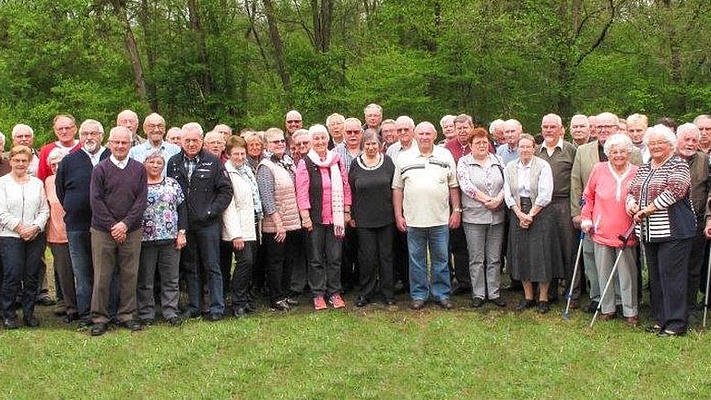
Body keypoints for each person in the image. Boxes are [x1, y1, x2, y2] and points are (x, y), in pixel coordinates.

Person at [627, 124, 695, 336]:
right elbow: (632, 190)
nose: (655, 147)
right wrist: (631, 204)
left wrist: (647, 209)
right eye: (652, 143)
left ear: (670, 145)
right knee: (655, 277)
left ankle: (676, 323)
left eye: (660, 143)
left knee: (672, 277)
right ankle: (661, 319)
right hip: (649, 232)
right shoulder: (646, 166)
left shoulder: (678, 165)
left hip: (674, 231)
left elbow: (675, 191)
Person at [570, 112, 642, 312]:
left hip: (623, 221)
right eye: (599, 127)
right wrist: (579, 213)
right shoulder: (584, 152)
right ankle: (599, 298)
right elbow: (578, 184)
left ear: (616, 128)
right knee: (594, 261)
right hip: (594, 219)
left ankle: (623, 302)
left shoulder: (633, 154)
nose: (602, 130)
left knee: (625, 266)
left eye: (607, 126)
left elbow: (638, 186)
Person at [167, 122, 232, 321]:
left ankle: (217, 307)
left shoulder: (213, 162)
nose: (191, 144)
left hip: (208, 224)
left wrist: (211, 211)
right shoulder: (173, 162)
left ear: (202, 141)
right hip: (184, 225)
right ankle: (194, 306)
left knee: (212, 266)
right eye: (187, 140)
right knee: (190, 266)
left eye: (195, 140)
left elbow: (226, 191)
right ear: (181, 141)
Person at [393, 121, 461, 310]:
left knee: (441, 259)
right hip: (414, 220)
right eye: (421, 134)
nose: (424, 137)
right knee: (416, 259)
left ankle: (442, 294)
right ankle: (419, 294)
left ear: (434, 135)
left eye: (428, 134)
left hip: (440, 218)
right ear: (415, 135)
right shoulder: (404, 158)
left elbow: (453, 186)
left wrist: (456, 210)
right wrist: (399, 215)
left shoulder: (445, 154)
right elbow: (397, 189)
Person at [88, 126, 147, 336]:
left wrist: (125, 224)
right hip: (103, 231)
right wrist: (113, 225)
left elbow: (141, 200)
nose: (120, 146)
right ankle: (100, 317)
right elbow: (95, 200)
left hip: (131, 230)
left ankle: (128, 315)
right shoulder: (100, 169)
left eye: (125, 142)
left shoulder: (139, 169)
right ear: (109, 144)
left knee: (130, 274)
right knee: (102, 275)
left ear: (131, 144)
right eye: (117, 142)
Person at [55, 119, 111, 326]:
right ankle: (86, 314)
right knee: (82, 272)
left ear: (101, 136)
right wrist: (75, 206)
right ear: (80, 135)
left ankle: (107, 312)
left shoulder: (111, 156)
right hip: (77, 225)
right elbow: (61, 191)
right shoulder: (69, 161)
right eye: (85, 133)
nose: (89, 137)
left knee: (105, 272)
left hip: (106, 227)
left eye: (93, 133)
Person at [580, 134, 639, 326]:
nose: (619, 155)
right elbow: (588, 197)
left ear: (629, 152)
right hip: (601, 229)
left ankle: (630, 311)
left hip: (626, 231)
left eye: (622, 151)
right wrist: (586, 218)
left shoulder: (637, 172)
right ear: (608, 153)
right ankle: (608, 308)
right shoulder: (599, 169)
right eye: (614, 151)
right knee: (603, 271)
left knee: (627, 273)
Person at [504, 134, 563, 313]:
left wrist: (529, 215)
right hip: (517, 211)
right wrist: (519, 213)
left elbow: (546, 193)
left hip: (540, 212)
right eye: (521, 147)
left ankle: (543, 298)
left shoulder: (542, 165)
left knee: (541, 254)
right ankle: (528, 296)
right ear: (518, 149)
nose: (524, 150)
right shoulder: (510, 167)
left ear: (534, 148)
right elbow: (507, 192)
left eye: (528, 147)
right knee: (522, 253)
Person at [296, 124, 352, 310]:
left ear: (327, 139)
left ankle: (334, 292)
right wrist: (305, 216)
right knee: (316, 258)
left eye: (322, 138)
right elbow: (302, 192)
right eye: (316, 139)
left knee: (335, 257)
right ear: (311, 142)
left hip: (335, 219)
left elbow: (345, 186)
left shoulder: (336, 160)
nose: (320, 141)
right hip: (315, 219)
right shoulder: (306, 162)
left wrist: (346, 210)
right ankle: (318, 294)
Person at [0, 145, 49, 329]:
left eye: (24, 161)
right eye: (17, 160)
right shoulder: (2, 183)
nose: (20, 164)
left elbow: (45, 209)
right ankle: (8, 314)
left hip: (35, 236)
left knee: (31, 276)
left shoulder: (37, 184)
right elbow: (1, 211)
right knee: (12, 275)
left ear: (29, 163)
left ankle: (29, 313)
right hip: (10, 236)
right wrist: (20, 228)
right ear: (10, 161)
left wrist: (35, 227)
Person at [457, 127, 506, 308]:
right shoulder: (464, 162)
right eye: (477, 142)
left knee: (494, 257)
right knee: (476, 258)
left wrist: (498, 200)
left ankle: (494, 293)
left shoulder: (498, 161)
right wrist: (487, 200)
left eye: (485, 142)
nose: (482, 145)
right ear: (470, 145)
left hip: (496, 217)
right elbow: (466, 185)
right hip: (474, 217)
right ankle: (478, 293)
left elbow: (506, 184)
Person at [137, 151, 187, 326]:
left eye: (159, 162)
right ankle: (146, 313)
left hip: (170, 238)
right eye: (151, 162)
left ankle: (170, 311)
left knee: (171, 278)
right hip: (145, 239)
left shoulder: (172, 184)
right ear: (144, 164)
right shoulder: (139, 185)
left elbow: (182, 208)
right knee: (145, 279)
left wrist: (182, 232)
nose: (155, 165)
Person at [348, 130, 396, 306]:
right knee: (367, 258)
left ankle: (388, 293)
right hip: (364, 219)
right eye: (367, 144)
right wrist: (351, 213)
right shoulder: (355, 164)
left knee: (386, 256)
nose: (371, 147)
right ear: (363, 145)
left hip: (386, 218)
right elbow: (351, 190)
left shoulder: (388, 162)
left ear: (380, 145)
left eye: (374, 143)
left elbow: (395, 188)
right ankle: (366, 292)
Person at [256, 127, 301, 311]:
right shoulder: (266, 167)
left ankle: (285, 293)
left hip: (291, 222)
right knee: (276, 261)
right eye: (275, 142)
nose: (280, 144)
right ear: (267, 145)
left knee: (288, 260)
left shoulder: (287, 162)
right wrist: (278, 224)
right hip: (275, 225)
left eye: (282, 141)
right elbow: (266, 197)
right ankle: (276, 297)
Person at [536, 113, 577, 303]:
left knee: (568, 249)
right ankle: (549, 292)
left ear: (561, 130)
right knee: (546, 249)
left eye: (553, 127)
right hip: (542, 206)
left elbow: (577, 181)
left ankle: (572, 293)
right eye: (545, 127)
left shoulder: (571, 150)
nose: (549, 130)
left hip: (564, 203)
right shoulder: (536, 151)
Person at [222, 136, 262, 317]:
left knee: (251, 263)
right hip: (238, 228)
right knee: (244, 262)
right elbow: (228, 207)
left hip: (252, 223)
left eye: (242, 153)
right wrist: (235, 234)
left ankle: (245, 299)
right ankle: (237, 302)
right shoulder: (227, 173)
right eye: (236, 154)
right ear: (228, 154)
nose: (239, 157)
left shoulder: (247, 170)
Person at [674, 123, 710, 320]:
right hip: (671, 222)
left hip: (696, 221)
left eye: (694, 140)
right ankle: (669, 306)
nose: (690, 143)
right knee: (672, 267)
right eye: (686, 139)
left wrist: (709, 218)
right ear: (677, 139)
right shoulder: (667, 157)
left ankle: (689, 308)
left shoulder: (705, 160)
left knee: (693, 267)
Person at [45, 148, 78, 321]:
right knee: (64, 273)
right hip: (57, 233)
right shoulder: (48, 182)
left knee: (82, 271)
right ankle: (70, 307)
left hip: (78, 230)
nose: (57, 167)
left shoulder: (76, 177)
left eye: (60, 163)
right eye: (53, 164)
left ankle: (84, 304)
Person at [37, 114, 81, 181]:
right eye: (60, 129)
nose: (64, 132)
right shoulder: (46, 151)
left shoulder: (83, 147)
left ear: (75, 129)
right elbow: (41, 179)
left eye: (67, 128)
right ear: (55, 130)